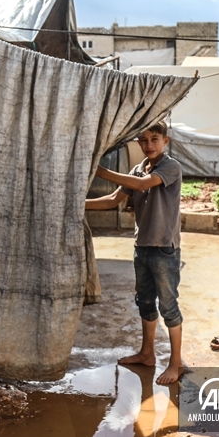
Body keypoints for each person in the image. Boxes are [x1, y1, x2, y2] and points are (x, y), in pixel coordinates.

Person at [85, 122, 185, 385]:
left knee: (168, 306)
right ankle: (147, 353)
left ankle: (176, 364)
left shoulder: (170, 167)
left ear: (166, 141)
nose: (149, 145)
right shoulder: (138, 169)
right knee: (144, 302)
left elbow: (143, 186)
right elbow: (112, 200)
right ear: (138, 143)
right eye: (143, 140)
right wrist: (77, 205)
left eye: (154, 139)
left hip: (164, 248)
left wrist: (100, 171)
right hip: (142, 246)